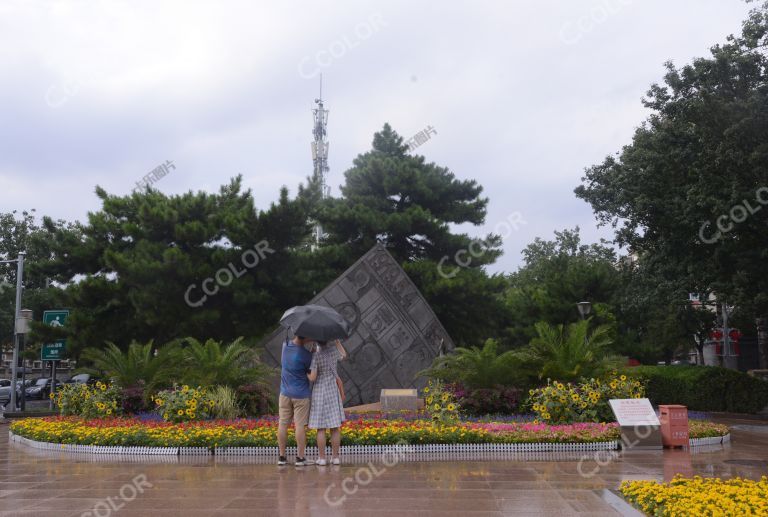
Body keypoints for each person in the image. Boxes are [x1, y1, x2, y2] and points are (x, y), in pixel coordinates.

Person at [307, 339, 347, 466]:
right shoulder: (333, 352)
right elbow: (344, 355)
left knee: (321, 428)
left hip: (319, 391)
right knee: (335, 427)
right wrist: (337, 342)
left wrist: (307, 371)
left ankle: (322, 458)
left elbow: (312, 378)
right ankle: (335, 458)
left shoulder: (315, 356)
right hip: (332, 391)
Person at [277, 334, 314, 466]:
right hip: (301, 395)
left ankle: (281, 457)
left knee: (283, 424)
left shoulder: (284, 346)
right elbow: (310, 372)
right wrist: (312, 353)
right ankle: (300, 458)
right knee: (299, 426)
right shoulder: (307, 355)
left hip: (284, 394)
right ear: (305, 338)